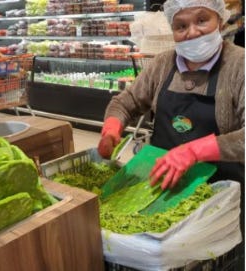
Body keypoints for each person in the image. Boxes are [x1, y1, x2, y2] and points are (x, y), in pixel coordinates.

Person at [98, 0, 244, 190]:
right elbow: (126, 102)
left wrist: (193, 151)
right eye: (181, 26)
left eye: (201, 20)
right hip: (162, 183)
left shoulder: (239, 65)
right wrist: (111, 130)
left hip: (219, 188)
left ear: (220, 20)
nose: (192, 32)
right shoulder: (162, 64)